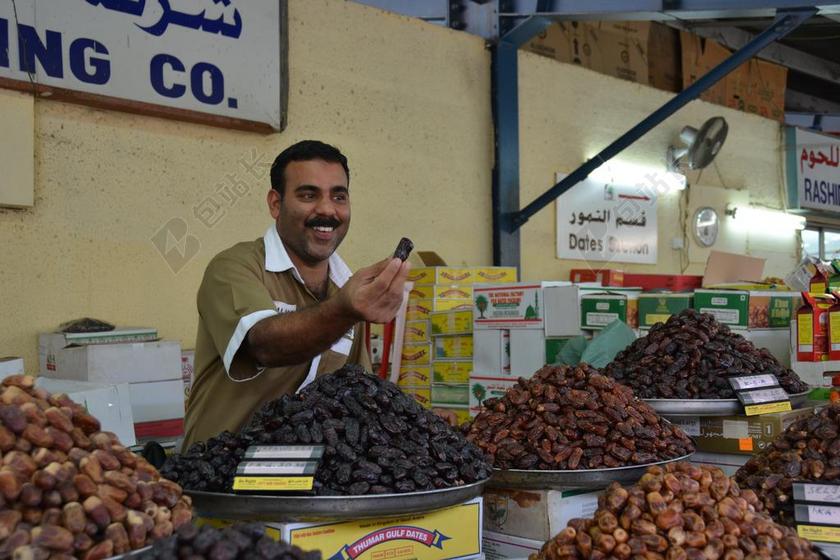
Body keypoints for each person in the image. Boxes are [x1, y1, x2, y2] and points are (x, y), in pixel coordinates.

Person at [183, 140, 410, 447]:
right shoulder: (234, 268)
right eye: (308, 195)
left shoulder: (346, 290)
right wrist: (344, 309)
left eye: (338, 196)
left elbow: (361, 393)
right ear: (276, 204)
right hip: (220, 477)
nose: (327, 210)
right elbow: (264, 345)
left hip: (299, 482)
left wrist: (417, 420)